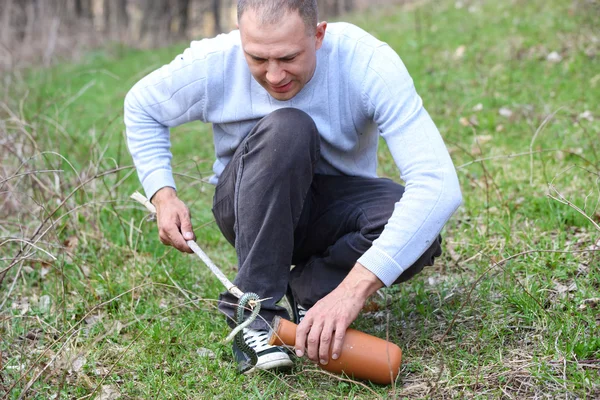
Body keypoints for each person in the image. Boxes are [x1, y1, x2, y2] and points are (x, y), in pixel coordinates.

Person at [124, 0, 462, 374]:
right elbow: (142, 105)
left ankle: (314, 291)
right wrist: (163, 193)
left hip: (331, 210)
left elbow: (438, 184)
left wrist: (350, 292)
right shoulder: (215, 62)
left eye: (288, 58)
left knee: (418, 231)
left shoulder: (366, 63)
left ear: (318, 35)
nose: (273, 75)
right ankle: (254, 314)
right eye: (258, 59)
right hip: (247, 206)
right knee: (289, 128)